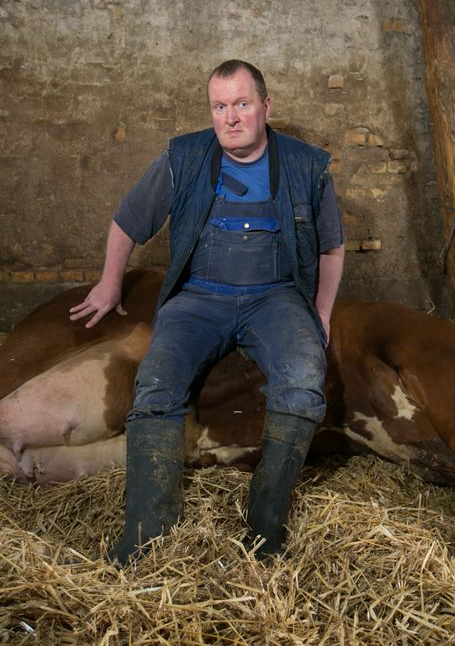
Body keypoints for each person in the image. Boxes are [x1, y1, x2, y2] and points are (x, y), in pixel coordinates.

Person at [70, 60, 345, 563]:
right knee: (155, 387)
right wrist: (109, 286)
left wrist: (321, 312)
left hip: (276, 296)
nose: (230, 117)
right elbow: (126, 223)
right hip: (199, 298)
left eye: (241, 104)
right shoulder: (184, 156)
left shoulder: (307, 165)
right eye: (219, 106)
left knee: (305, 383)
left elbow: (331, 248)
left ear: (265, 107)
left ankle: (266, 528)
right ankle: (147, 533)